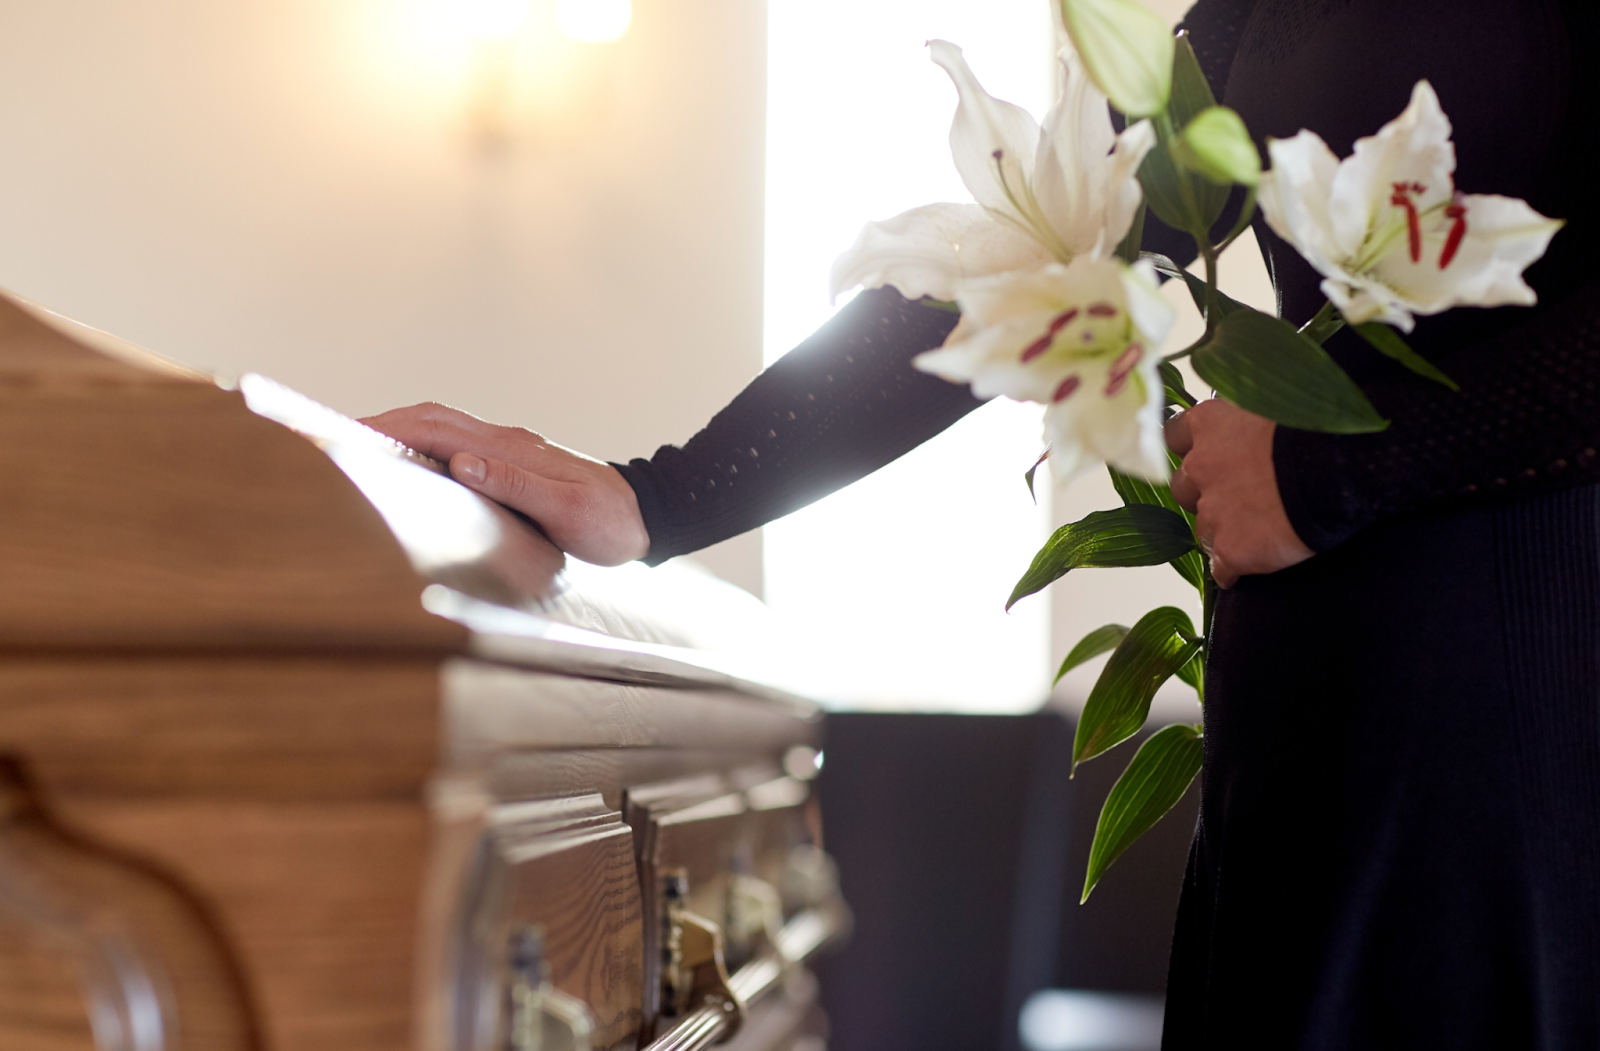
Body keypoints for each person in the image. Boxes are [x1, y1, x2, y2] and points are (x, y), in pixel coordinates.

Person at [365, 0, 1600, 1045]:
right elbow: (1044, 246)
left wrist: (1340, 469)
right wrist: (669, 491)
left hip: (1524, 720)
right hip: (1314, 719)